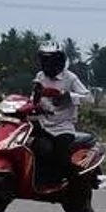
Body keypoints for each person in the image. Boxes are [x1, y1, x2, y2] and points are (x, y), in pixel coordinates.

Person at [31, 43, 92, 190]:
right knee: (29, 145)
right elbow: (33, 98)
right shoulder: (40, 76)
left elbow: (89, 98)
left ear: (59, 61)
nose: (47, 64)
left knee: (61, 156)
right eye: (44, 60)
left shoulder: (70, 78)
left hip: (63, 127)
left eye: (50, 60)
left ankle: (70, 187)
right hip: (43, 123)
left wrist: (68, 96)